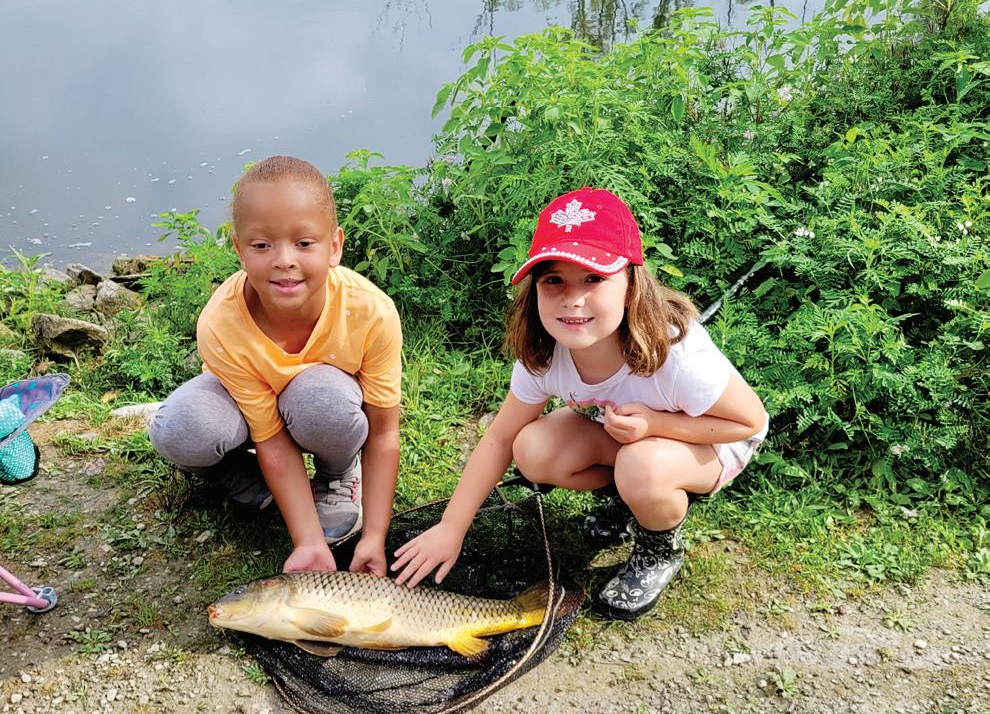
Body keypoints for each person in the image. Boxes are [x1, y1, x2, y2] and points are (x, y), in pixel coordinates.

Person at [392, 187, 768, 619]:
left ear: (631, 285)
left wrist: (655, 426)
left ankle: (659, 548)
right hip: (628, 435)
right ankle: (630, 501)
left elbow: (749, 421)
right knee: (532, 448)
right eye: (554, 280)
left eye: (593, 278)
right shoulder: (545, 353)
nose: (572, 299)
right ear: (534, 288)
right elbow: (499, 438)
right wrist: (451, 527)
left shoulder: (678, 354)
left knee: (642, 466)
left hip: (714, 442)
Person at [150, 156, 401, 575]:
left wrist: (375, 536)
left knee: (319, 398)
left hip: (323, 409)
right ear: (239, 250)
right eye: (262, 246)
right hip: (249, 412)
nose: (284, 260)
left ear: (334, 246)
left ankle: (338, 474)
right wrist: (309, 543)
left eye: (304, 243)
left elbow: (384, 431)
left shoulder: (372, 312)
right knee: (183, 428)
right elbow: (270, 437)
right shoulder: (220, 323)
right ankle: (237, 473)